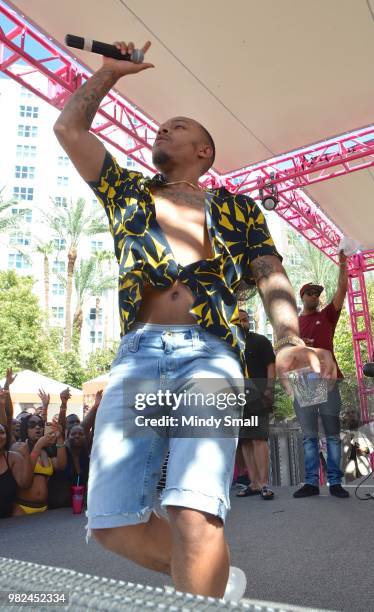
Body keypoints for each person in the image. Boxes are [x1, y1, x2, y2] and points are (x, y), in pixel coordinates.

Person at [53, 38, 336, 599]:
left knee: (194, 511)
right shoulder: (126, 191)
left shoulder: (237, 207)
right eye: (163, 125)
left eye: (178, 126)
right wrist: (108, 73)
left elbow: (268, 271)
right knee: (111, 523)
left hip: (212, 356)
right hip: (136, 358)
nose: (163, 128)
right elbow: (70, 132)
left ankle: (200, 580)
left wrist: (286, 338)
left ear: (204, 151)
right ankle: (213, 580)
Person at [293, 250, 350, 499]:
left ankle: (335, 483)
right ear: (302, 296)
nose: (315, 296)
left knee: (333, 435)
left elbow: (342, 290)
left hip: (328, 380)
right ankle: (311, 483)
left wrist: (343, 265)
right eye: (310, 293)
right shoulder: (292, 323)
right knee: (309, 437)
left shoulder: (327, 315)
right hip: (305, 381)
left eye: (317, 293)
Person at [236, 309, 275, 500]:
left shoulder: (260, 341)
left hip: (257, 393)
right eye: (238, 320)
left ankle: (265, 484)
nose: (242, 323)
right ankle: (254, 483)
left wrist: (269, 389)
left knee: (259, 438)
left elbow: (270, 365)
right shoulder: (228, 344)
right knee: (245, 440)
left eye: (245, 320)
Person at [12, 414, 67, 515]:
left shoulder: (46, 452)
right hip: (22, 508)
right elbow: (26, 476)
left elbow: (61, 465)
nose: (37, 427)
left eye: (40, 424)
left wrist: (59, 438)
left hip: (43, 509)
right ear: (25, 429)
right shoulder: (19, 447)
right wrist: (39, 445)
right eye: (32, 424)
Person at [0, 387, 33, 518]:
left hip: (10, 521)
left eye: (2, 433)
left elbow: (25, 483)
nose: (0, 436)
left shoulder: (12, 458)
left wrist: (26, 454)